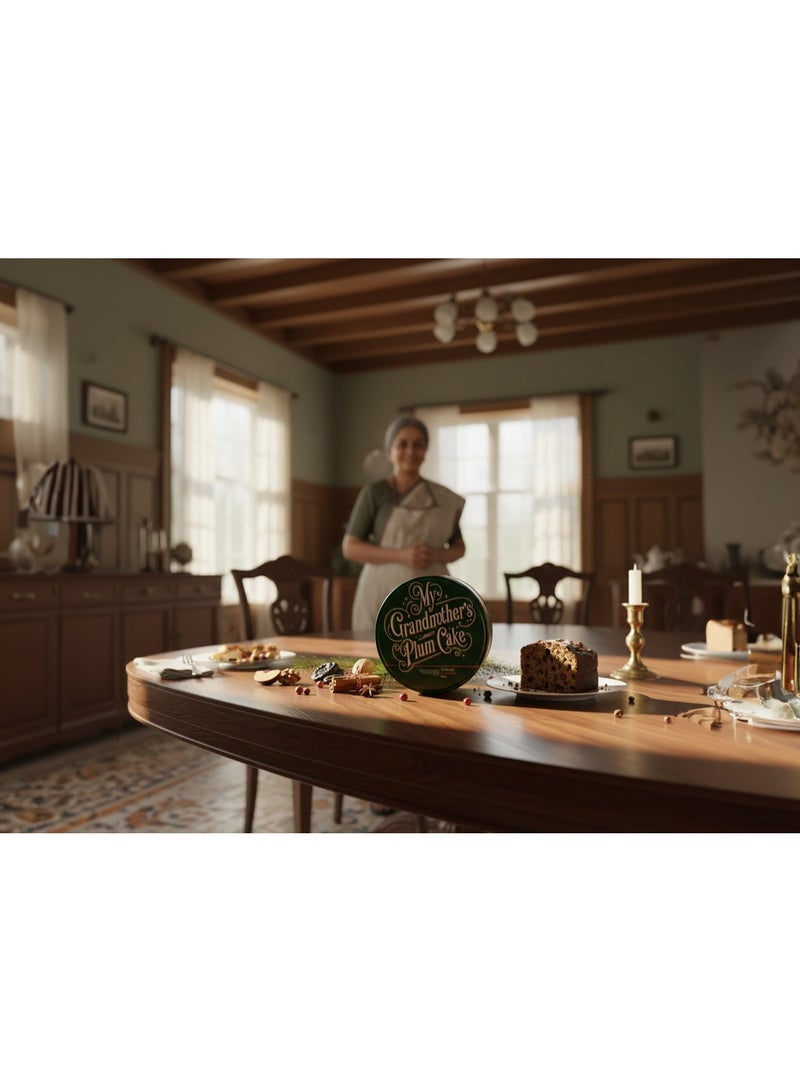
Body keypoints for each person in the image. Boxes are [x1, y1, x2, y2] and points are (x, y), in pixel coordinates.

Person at [343, 415, 466, 633]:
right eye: (403, 444)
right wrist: (402, 555)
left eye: (418, 445)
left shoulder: (443, 499)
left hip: (433, 600)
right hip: (379, 593)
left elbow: (459, 547)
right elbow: (350, 547)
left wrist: (436, 555)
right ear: (390, 451)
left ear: (425, 452)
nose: (410, 451)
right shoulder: (375, 493)